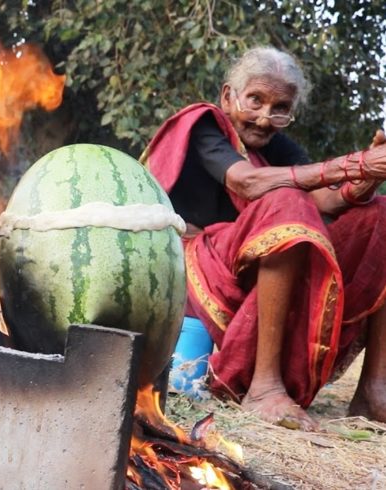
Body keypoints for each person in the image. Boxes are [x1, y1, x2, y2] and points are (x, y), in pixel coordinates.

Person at [141, 46, 386, 431]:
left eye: (280, 108)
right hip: (189, 263)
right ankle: (263, 387)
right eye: (255, 100)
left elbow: (325, 200)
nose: (264, 117)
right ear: (228, 97)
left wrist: (369, 176)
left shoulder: (275, 146)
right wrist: (353, 164)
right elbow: (247, 181)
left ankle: (374, 390)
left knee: (379, 214)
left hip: (254, 267)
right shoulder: (206, 126)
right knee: (285, 200)